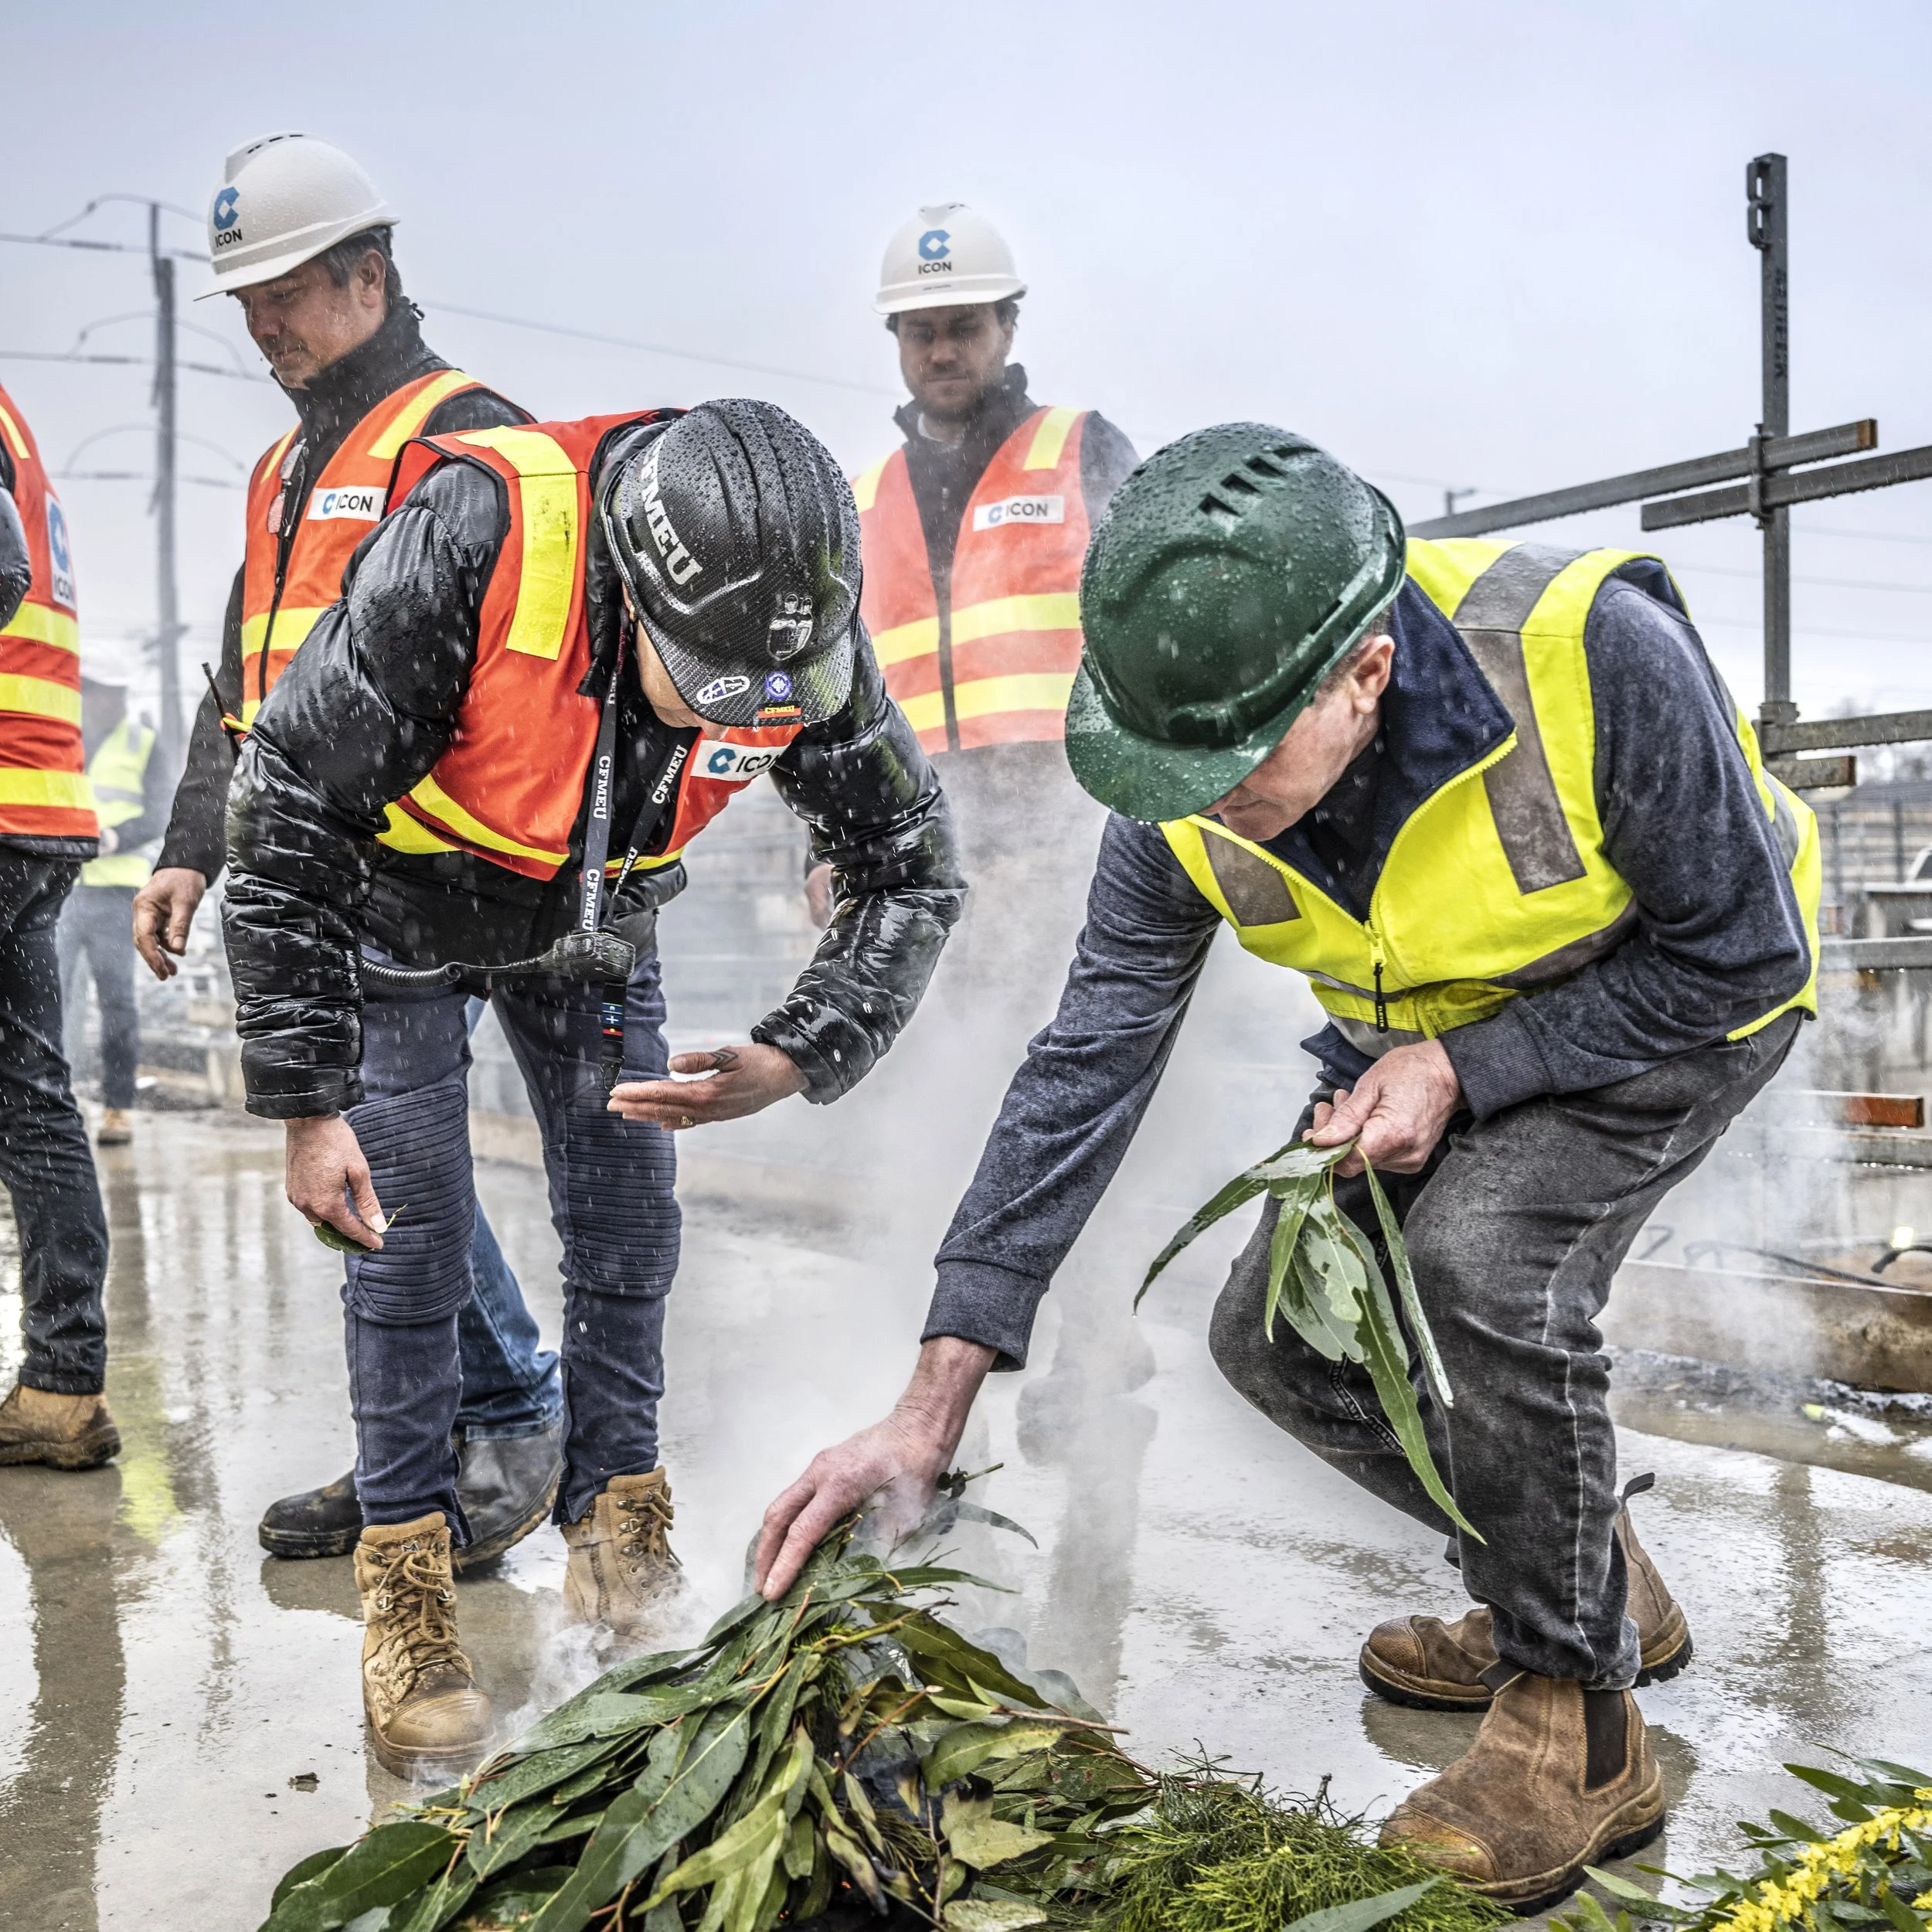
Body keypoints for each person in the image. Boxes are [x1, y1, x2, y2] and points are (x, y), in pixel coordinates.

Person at [755, 425, 1821, 1913]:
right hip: (1431, 1025)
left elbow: (1748, 954)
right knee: (1274, 1338)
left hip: (1668, 1004)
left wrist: (1464, 1073)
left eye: (1230, 769)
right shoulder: (1174, 773)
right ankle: (1577, 1582)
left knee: (1478, 1268)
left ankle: (1578, 1721)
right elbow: (1090, 1060)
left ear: (1366, 676)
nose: (1195, 802)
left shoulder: (1595, 655)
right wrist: (929, 1402)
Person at [222, 396, 959, 1774]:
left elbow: (912, 861)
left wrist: (804, 1046)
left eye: (772, 696)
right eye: (717, 687)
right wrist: (308, 1101)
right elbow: (287, 815)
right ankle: (409, 1583)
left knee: (629, 1219)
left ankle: (619, 1536)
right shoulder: (477, 538)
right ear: (633, 590)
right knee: (410, 1242)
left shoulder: (800, 630)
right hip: (401, 902)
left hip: (595, 908)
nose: (754, 719)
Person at [133, 131, 566, 1569]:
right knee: (368, 1170)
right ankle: (433, 1439)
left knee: (381, 1157)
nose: (265, 332)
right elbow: (239, 682)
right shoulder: (279, 471)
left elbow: (533, 679)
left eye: (289, 299)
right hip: (313, 882)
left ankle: (508, 1418)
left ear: (371, 275)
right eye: (246, 308)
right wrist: (194, 847)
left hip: (436, 880)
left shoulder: (473, 436)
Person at [823, 202, 1137, 1010]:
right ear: (895, 339)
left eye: (963, 325)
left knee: (1062, 1043)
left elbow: (1150, 639)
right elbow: (834, 698)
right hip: (917, 840)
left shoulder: (1081, 450)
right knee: (934, 1060)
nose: (942, 351)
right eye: (920, 332)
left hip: (1067, 824)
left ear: (1007, 324)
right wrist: (821, 851)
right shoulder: (860, 502)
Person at [0, 379, 118, 1471]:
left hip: (4, 805)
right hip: (34, 803)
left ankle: (62, 1377)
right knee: (31, 1097)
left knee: (29, 1099)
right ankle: (60, 1382)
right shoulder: (14, 423)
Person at [58, 675, 166, 1145]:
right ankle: (50, 1103)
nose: (112, 700)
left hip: (115, 893)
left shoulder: (142, 743)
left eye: (119, 691)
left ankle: (117, 1107)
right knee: (50, 1001)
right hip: (60, 889)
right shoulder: (63, 739)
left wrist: (118, 836)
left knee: (117, 1003)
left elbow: (162, 811)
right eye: (102, 692)